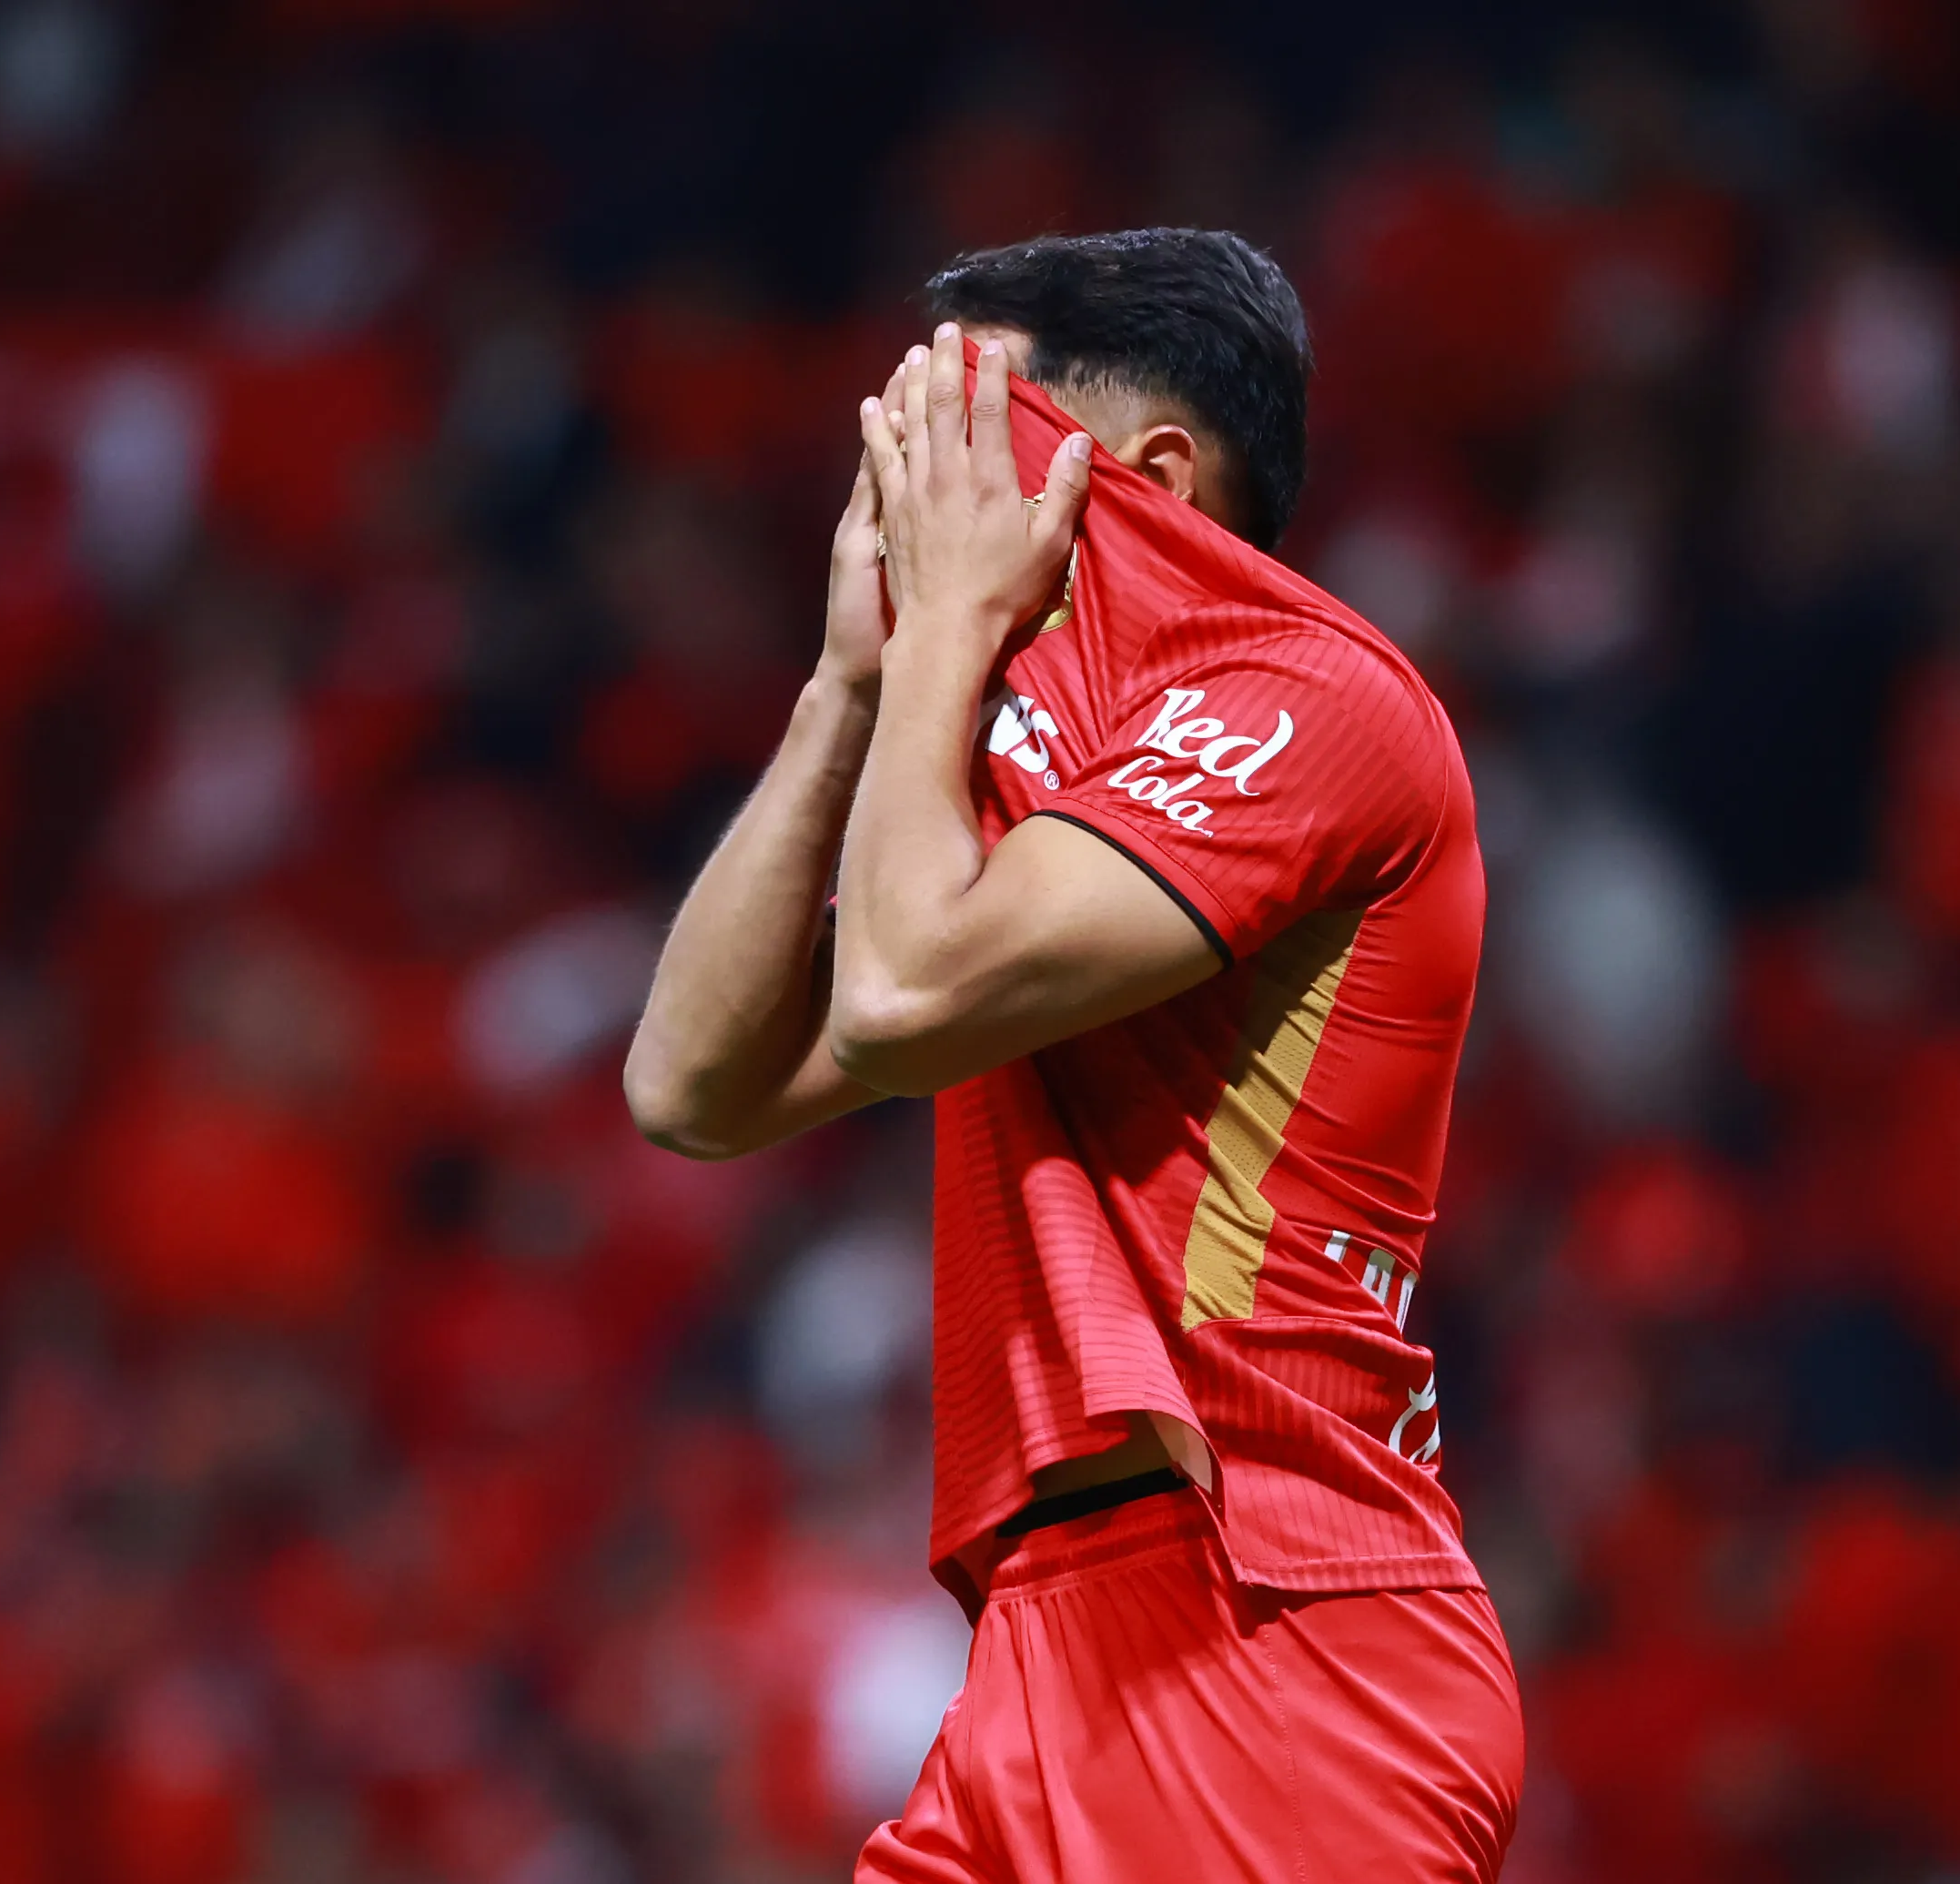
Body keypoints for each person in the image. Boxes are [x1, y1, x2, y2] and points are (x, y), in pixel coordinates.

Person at [626, 229, 1519, 1881]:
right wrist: (847, 683)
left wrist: (950, 639)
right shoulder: (1025, 798)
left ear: (1147, 470)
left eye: (977, 416)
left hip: (1274, 1633)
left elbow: (898, 997)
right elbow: (690, 1085)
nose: (918, 470)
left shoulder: (1315, 698)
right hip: (1049, 1646)